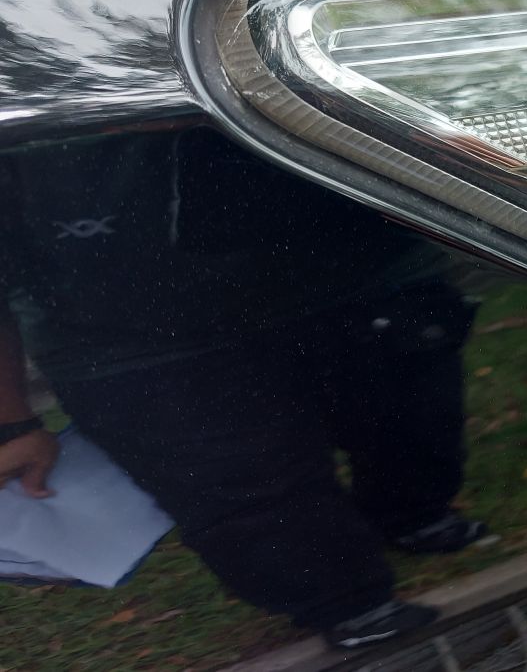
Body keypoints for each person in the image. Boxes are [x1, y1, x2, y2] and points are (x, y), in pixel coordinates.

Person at [0, 126, 485, 647]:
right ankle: (349, 605)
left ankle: (413, 517)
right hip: (127, 327)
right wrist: (14, 423)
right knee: (246, 486)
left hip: (349, 266)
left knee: (415, 419)